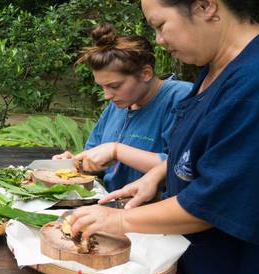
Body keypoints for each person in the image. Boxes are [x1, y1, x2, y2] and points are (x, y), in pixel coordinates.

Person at [70, 1, 259, 274]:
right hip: (194, 265)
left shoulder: (250, 84)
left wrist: (120, 219)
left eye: (159, 24)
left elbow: (211, 203)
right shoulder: (214, 70)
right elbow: (198, 154)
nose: (157, 39)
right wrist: (157, 174)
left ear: (205, 6)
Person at [53, 23, 193, 192]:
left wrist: (117, 151)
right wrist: (77, 163)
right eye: (102, 87)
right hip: (111, 204)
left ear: (146, 73)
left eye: (115, 86)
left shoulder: (181, 98)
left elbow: (185, 166)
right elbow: (97, 160)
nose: (107, 95)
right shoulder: (119, 104)